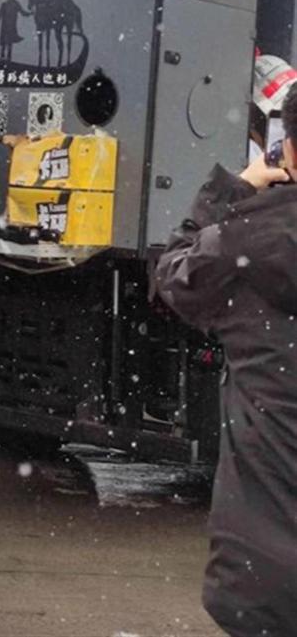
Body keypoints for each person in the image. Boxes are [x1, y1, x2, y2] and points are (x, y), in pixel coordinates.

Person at [155, 82, 297, 637]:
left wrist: (233, 189)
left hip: (267, 583)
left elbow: (173, 272)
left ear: (287, 148)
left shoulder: (245, 246)